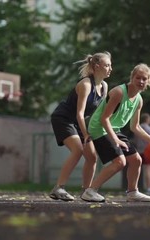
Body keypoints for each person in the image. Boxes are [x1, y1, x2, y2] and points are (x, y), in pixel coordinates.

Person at [81, 63, 150, 202]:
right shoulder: (119, 92)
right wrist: (115, 140)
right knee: (120, 162)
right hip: (99, 128)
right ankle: (90, 191)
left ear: (148, 81)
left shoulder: (139, 100)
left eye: (144, 79)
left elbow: (135, 127)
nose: (141, 81)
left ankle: (132, 192)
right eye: (138, 78)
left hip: (113, 129)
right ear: (132, 77)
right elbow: (104, 119)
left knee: (136, 160)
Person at [49, 52, 111, 201]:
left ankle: (87, 192)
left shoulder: (104, 86)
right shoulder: (85, 84)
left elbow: (98, 115)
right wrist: (87, 135)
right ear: (97, 66)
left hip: (78, 122)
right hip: (63, 118)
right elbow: (80, 113)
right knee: (78, 150)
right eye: (107, 65)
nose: (110, 69)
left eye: (110, 65)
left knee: (92, 157)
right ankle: (59, 188)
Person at [133, 113, 150, 195]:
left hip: (139, 150)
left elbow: (135, 141)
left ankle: (135, 187)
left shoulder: (137, 127)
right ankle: (148, 188)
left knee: (137, 169)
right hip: (147, 151)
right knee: (148, 170)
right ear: (147, 119)